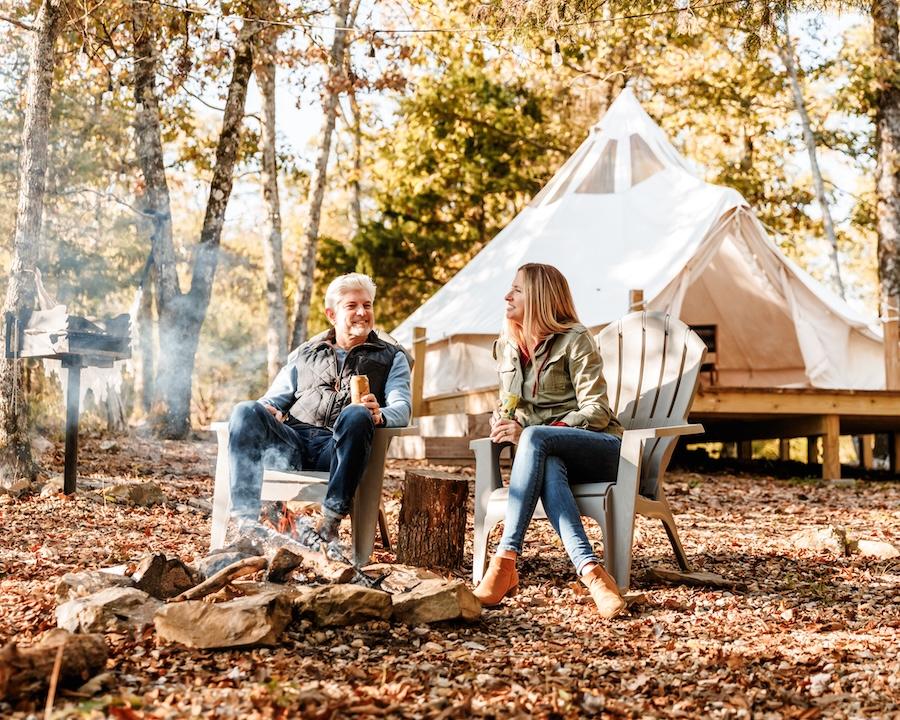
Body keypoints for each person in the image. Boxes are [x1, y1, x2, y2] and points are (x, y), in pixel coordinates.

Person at [472, 263, 626, 619]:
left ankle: (505, 560)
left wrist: (536, 430)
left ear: (539, 298)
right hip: (548, 456)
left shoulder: (576, 339)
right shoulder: (507, 347)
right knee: (548, 463)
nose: (507, 296)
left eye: (517, 290)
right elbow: (511, 407)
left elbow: (597, 410)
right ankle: (593, 574)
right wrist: (504, 421)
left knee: (537, 439)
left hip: (599, 449)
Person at [227, 272, 411, 541]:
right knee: (246, 410)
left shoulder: (392, 357)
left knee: (357, 413)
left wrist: (379, 414)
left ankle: (330, 522)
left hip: (338, 449)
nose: (362, 312)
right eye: (352, 306)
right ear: (331, 315)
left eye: (367, 305)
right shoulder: (306, 354)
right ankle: (245, 525)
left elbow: (402, 407)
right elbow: (273, 398)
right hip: (292, 445)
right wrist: (270, 408)